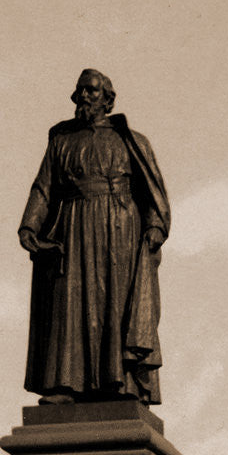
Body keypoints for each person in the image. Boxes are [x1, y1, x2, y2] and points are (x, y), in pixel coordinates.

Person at [19, 69, 170, 404]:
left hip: (120, 232)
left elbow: (152, 194)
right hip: (71, 227)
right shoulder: (61, 140)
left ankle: (120, 384)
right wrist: (30, 224)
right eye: (80, 91)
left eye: (91, 91)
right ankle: (64, 385)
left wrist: (156, 227)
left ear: (108, 98)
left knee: (114, 305)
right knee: (69, 303)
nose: (83, 97)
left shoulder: (131, 140)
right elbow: (44, 188)